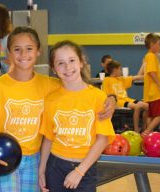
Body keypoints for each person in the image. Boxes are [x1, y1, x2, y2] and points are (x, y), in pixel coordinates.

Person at [0, 27, 116, 192]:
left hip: (35, 159)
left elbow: (78, 88)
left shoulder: (49, 84)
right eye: (17, 49)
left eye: (29, 49)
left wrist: (111, 99)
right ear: (9, 53)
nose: (23, 54)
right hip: (5, 158)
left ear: (37, 52)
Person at [39, 40, 115, 192]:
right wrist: (42, 169)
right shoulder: (50, 99)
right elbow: (48, 138)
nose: (67, 67)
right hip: (55, 167)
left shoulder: (98, 97)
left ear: (81, 62)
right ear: (54, 69)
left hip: (85, 169)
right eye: (60, 63)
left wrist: (79, 171)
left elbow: (102, 139)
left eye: (72, 60)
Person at [102, 60, 148, 133]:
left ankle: (144, 128)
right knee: (137, 106)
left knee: (146, 106)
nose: (121, 71)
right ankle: (136, 129)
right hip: (119, 101)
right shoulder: (107, 80)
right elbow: (106, 95)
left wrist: (147, 73)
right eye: (120, 69)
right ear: (115, 70)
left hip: (127, 99)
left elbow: (136, 77)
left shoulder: (121, 79)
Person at [141, 33, 160, 136]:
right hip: (156, 92)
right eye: (159, 43)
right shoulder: (151, 56)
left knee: (151, 115)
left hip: (152, 92)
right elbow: (151, 73)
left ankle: (149, 135)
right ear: (152, 44)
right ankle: (147, 131)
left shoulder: (150, 56)